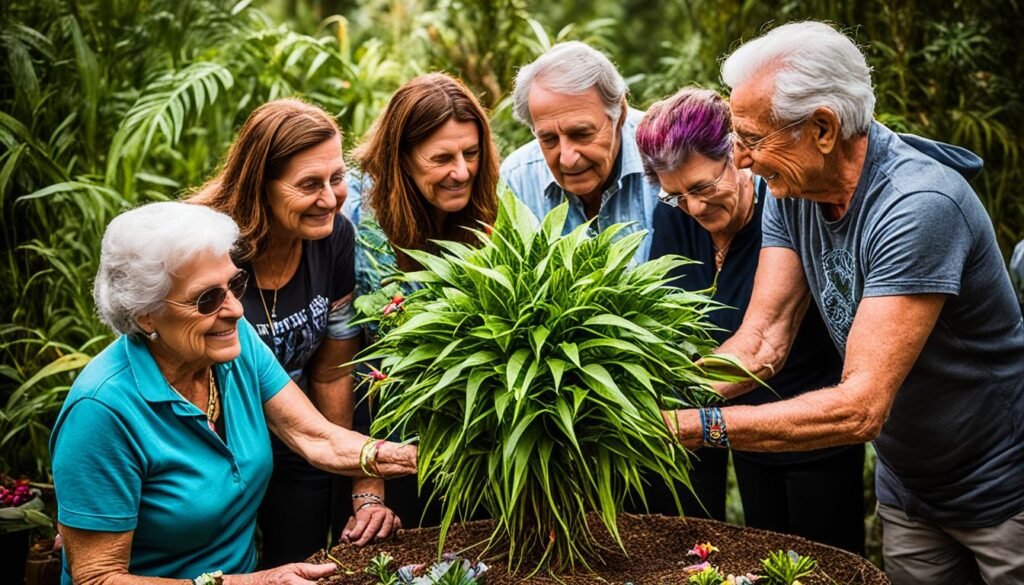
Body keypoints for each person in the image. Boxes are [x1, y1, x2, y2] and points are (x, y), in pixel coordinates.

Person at [662, 22, 1024, 583]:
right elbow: (762, 341)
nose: (743, 159)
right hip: (908, 487)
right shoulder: (794, 189)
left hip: (1001, 486)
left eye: (752, 139)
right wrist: (641, 404)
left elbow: (860, 405)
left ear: (823, 128)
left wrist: (696, 425)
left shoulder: (917, 206)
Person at [50, 202, 417, 585]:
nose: (236, 310)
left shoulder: (232, 346)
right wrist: (256, 583)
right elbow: (96, 578)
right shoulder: (101, 412)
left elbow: (316, 437)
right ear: (146, 313)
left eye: (235, 285)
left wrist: (419, 458)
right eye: (207, 299)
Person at [634, 87, 864, 554]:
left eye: (703, 187)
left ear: (738, 156)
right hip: (740, 428)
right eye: (677, 195)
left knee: (824, 561)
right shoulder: (676, 215)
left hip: (809, 426)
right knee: (765, 556)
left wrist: (667, 408)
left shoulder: (784, 210)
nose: (694, 207)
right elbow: (668, 320)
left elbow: (763, 345)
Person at [190, 98, 398, 564]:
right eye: (309, 184)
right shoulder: (204, 244)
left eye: (337, 178)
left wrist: (348, 468)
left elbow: (331, 370)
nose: (330, 198)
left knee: (303, 561)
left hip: (298, 429)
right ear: (261, 184)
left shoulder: (334, 237)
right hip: (213, 441)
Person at [345, 72, 499, 525]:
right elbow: (343, 363)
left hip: (461, 444)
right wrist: (367, 487)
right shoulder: (355, 223)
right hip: (375, 443)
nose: (462, 171)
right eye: (442, 158)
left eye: (471, 153)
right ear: (401, 158)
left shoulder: (484, 207)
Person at [501, 41, 660, 263]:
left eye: (581, 134)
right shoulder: (517, 178)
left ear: (620, 114)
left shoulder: (666, 152)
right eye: (548, 139)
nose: (567, 159)